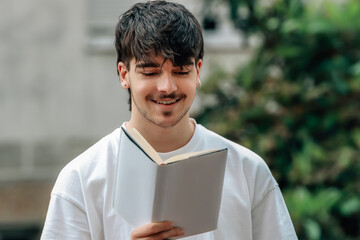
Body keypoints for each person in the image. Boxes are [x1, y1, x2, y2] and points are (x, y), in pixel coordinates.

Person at [41, 1, 298, 239]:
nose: (167, 87)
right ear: (124, 74)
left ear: (197, 72)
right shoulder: (81, 180)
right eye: (150, 72)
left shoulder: (248, 171)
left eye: (181, 71)